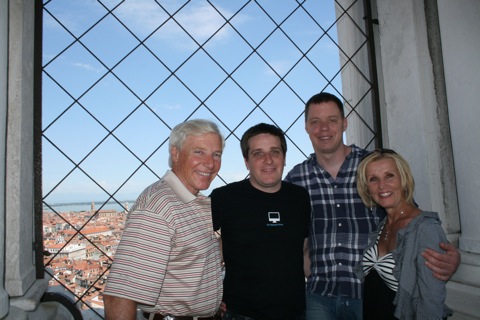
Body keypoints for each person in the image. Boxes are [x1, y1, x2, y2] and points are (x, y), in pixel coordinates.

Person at [284, 92, 460, 320]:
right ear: (306, 127)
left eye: (332, 120)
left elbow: (410, 222)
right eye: (315, 122)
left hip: (368, 297)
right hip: (320, 297)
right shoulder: (296, 178)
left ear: (344, 123)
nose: (324, 128)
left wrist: (449, 257)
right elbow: (285, 237)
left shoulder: (373, 169)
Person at [103, 119, 225, 320]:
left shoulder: (192, 202)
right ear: (175, 154)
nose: (210, 163)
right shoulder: (158, 207)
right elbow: (119, 297)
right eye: (199, 152)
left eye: (216, 154)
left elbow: (192, 260)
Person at [210, 123, 311, 320]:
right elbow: (193, 247)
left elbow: (304, 251)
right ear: (246, 162)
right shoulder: (224, 198)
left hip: (296, 313)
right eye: (258, 153)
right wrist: (209, 294)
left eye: (275, 151)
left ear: (284, 157)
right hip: (240, 313)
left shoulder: (299, 198)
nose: (268, 160)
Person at [355, 149, 451, 319]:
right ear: (367, 188)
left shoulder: (425, 229)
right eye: (373, 179)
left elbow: (431, 301)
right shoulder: (382, 226)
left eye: (389, 176)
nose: (382, 186)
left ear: (404, 179)